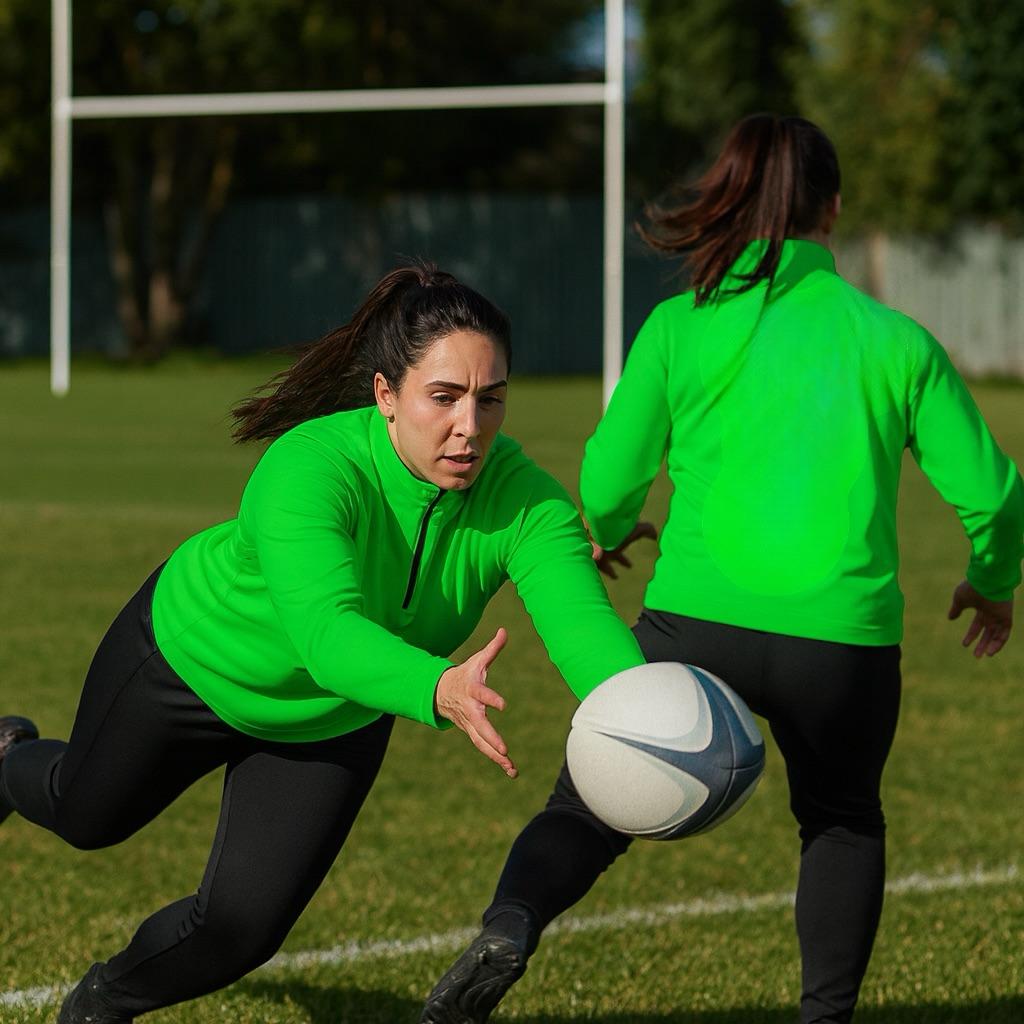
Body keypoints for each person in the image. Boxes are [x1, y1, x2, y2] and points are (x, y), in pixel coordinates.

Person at [419, 114, 1024, 1024]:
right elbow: (997, 497)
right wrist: (992, 578)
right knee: (842, 820)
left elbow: (610, 474)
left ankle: (512, 924)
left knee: (585, 809)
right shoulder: (893, 338)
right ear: (836, 210)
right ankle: (825, 1018)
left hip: (694, 623)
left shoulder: (678, 325)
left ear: (729, 200)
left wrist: (612, 527)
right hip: (842, 645)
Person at [0, 264, 649, 1023]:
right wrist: (438, 687)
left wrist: (650, 715)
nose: (470, 425)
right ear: (385, 395)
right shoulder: (310, 466)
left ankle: (102, 1004)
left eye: (491, 398)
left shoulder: (527, 501)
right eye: (444, 397)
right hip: (194, 657)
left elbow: (584, 630)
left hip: (334, 714)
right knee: (85, 817)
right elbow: (326, 634)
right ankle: (9, 758)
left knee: (242, 928)